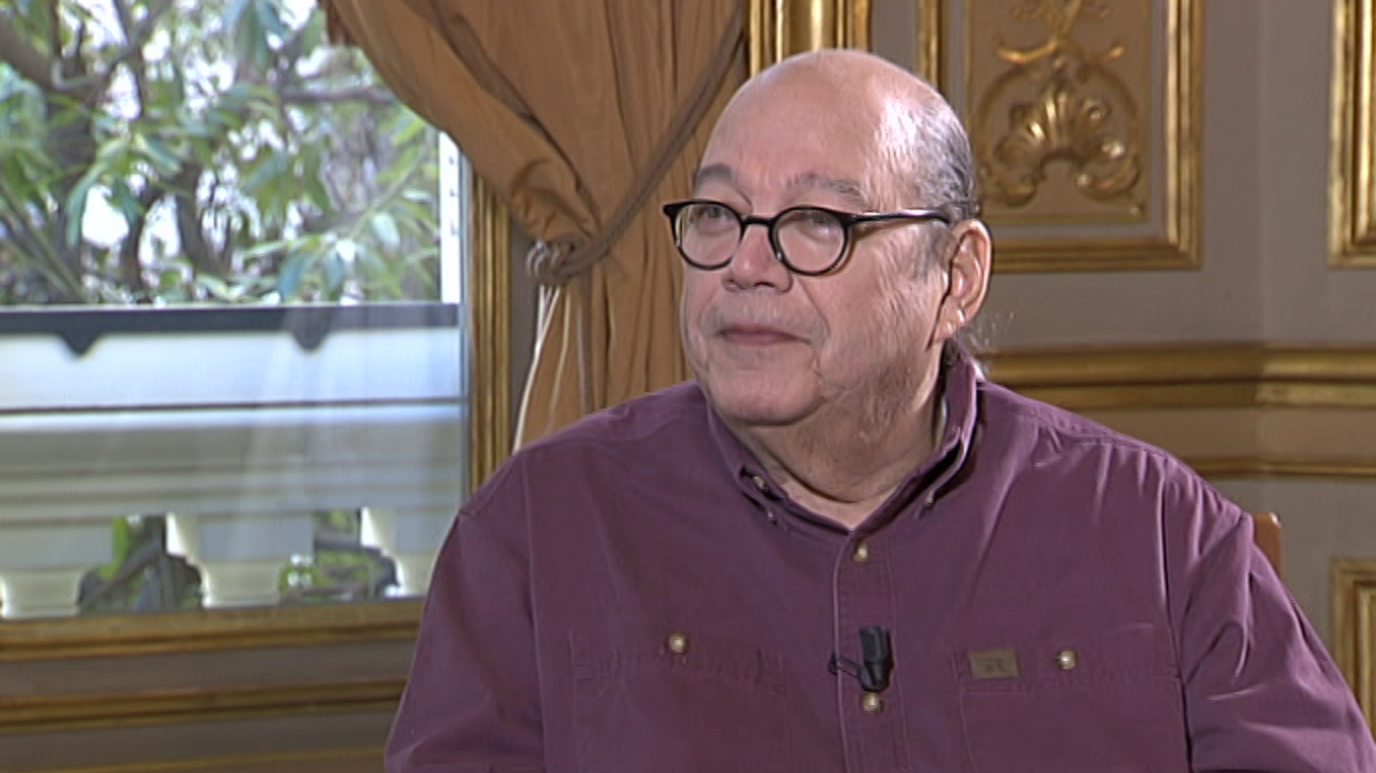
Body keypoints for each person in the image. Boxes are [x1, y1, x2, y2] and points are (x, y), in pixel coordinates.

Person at [386, 49, 1376, 772]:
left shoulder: (1157, 530)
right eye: (719, 215)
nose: (745, 263)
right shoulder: (538, 528)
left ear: (955, 276)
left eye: (816, 221)